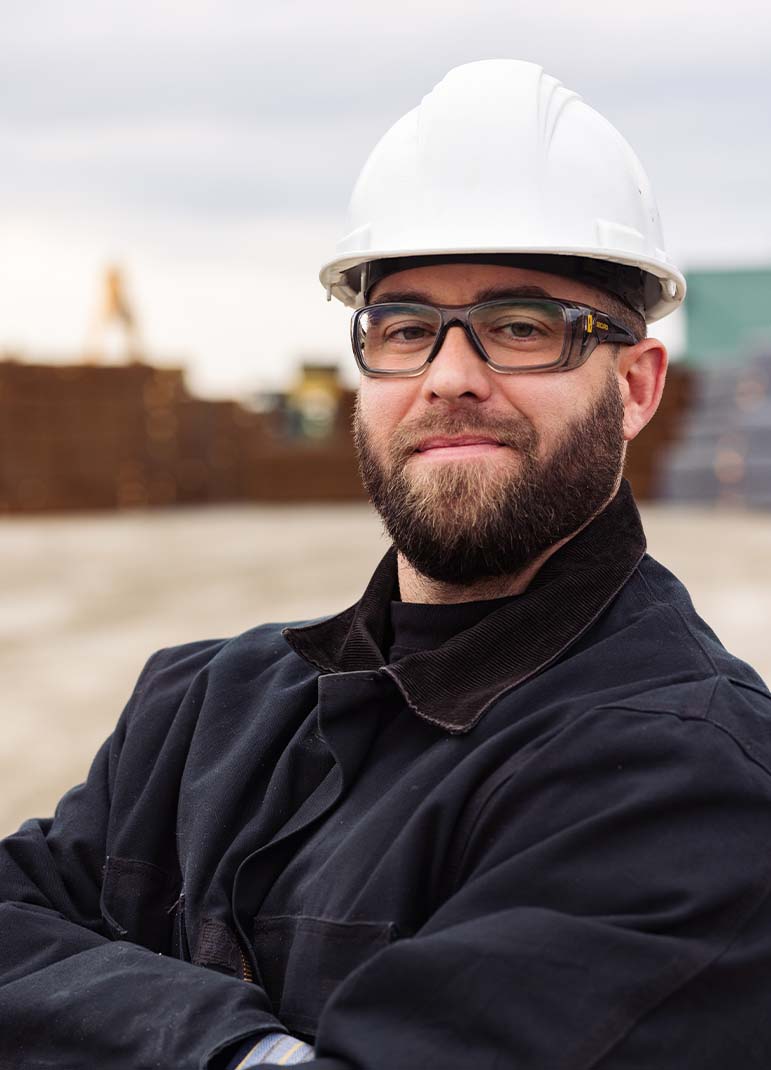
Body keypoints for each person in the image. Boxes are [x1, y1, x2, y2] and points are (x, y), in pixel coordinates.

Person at [2, 59, 771, 1070]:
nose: (451, 377)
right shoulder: (200, 706)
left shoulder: (689, 783)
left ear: (634, 384)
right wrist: (250, 1052)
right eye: (405, 329)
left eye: (520, 327)